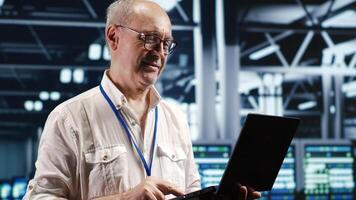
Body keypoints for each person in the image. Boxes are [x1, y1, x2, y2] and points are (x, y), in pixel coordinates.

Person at [24, 0, 261, 199]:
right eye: (149, 38)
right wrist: (125, 198)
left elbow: (190, 190)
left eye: (166, 43)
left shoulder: (174, 119)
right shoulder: (70, 118)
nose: (159, 52)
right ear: (114, 37)